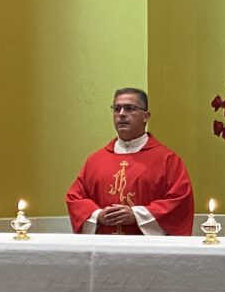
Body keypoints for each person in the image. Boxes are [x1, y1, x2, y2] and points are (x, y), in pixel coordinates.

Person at [66, 88, 194, 236]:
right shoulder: (95, 161)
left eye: (129, 108)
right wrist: (98, 215)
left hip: (148, 252)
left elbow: (179, 202)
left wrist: (137, 215)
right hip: (104, 248)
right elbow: (75, 198)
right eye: (116, 108)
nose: (121, 114)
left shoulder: (168, 160)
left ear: (146, 116)